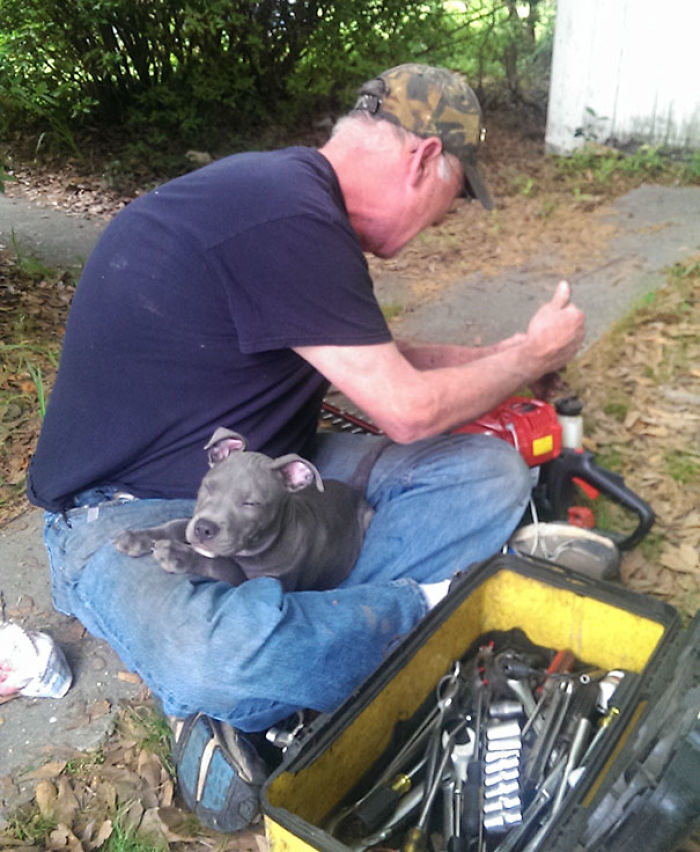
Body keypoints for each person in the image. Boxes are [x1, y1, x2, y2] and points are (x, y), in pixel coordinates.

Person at [27, 63, 585, 832]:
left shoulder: (287, 202)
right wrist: (524, 359)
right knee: (214, 660)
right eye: (452, 200)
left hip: (273, 481)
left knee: (488, 472)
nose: (444, 223)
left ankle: (303, 646)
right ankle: (425, 610)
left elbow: (377, 362)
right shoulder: (284, 215)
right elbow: (406, 411)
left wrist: (510, 358)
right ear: (424, 159)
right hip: (126, 509)